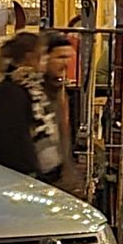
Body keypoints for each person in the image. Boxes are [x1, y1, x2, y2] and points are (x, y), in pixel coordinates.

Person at [0, 32, 64, 184]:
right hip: (11, 180)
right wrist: (32, 172)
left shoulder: (32, 88)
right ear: (30, 57)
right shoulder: (14, 90)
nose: (45, 60)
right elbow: (13, 139)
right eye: (42, 55)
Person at [40, 31, 89, 200]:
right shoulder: (32, 94)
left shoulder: (61, 94)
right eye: (60, 57)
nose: (66, 63)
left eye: (69, 57)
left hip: (58, 185)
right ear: (45, 58)